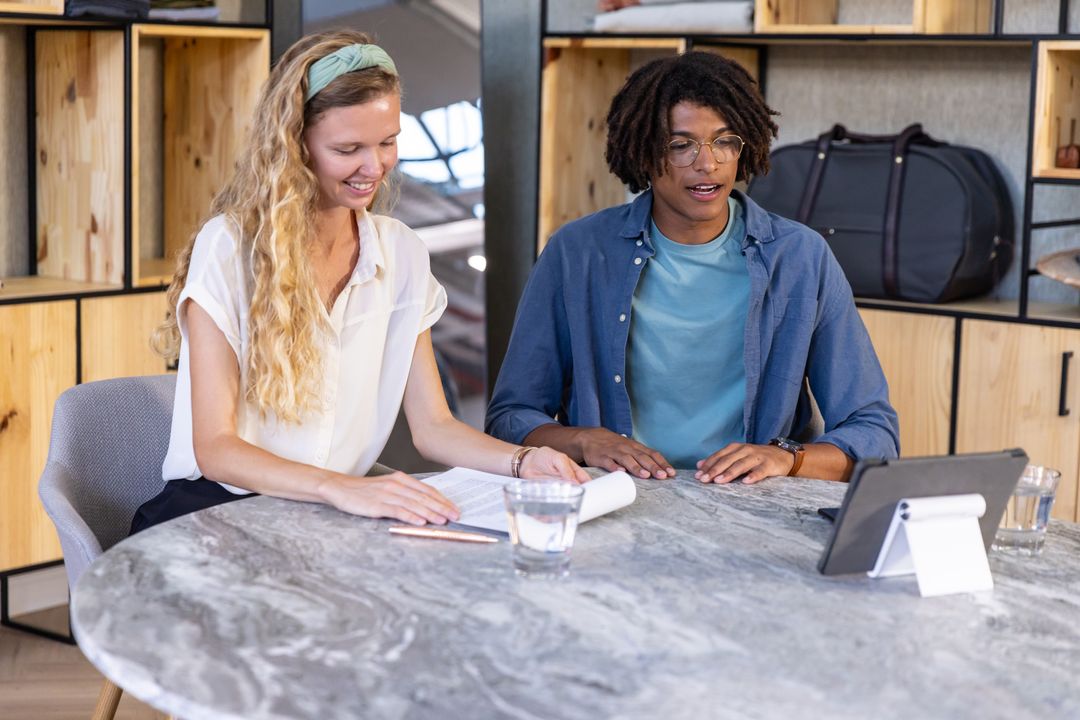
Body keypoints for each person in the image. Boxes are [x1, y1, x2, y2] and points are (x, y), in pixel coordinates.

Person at [135, 30, 587, 535]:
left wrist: (525, 461)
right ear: (295, 145)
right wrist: (342, 488)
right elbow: (216, 449)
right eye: (348, 148)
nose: (374, 168)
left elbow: (434, 427)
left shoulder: (402, 254)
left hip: (325, 514)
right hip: (213, 511)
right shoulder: (229, 246)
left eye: (388, 142)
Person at [486, 51, 899, 485]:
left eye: (724, 141)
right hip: (616, 499)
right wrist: (586, 441)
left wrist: (785, 458)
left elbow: (874, 433)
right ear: (644, 153)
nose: (708, 163)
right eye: (681, 145)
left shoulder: (800, 258)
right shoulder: (577, 253)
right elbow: (511, 418)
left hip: (751, 510)